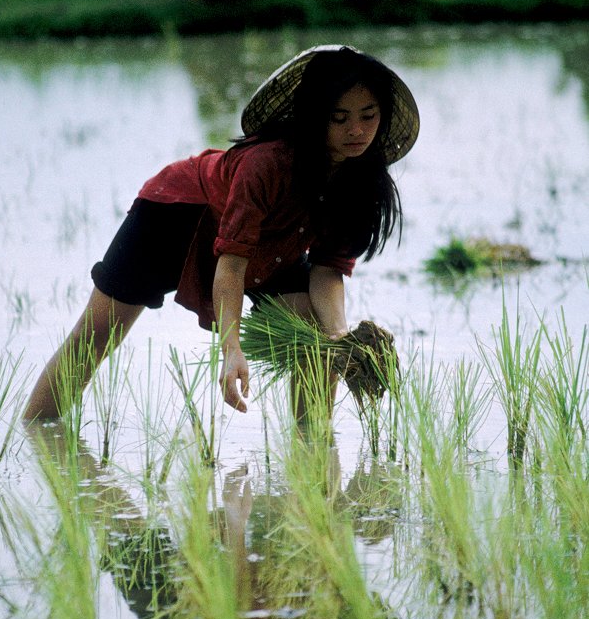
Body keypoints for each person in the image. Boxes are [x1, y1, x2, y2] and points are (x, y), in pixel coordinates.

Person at [23, 44, 419, 420]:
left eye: (368, 116)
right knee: (95, 337)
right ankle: (34, 432)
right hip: (175, 219)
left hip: (270, 246)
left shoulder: (359, 182)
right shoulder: (266, 165)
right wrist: (232, 349)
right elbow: (231, 267)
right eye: (339, 117)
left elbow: (327, 270)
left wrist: (340, 339)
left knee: (313, 336)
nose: (356, 131)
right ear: (315, 116)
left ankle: (313, 452)